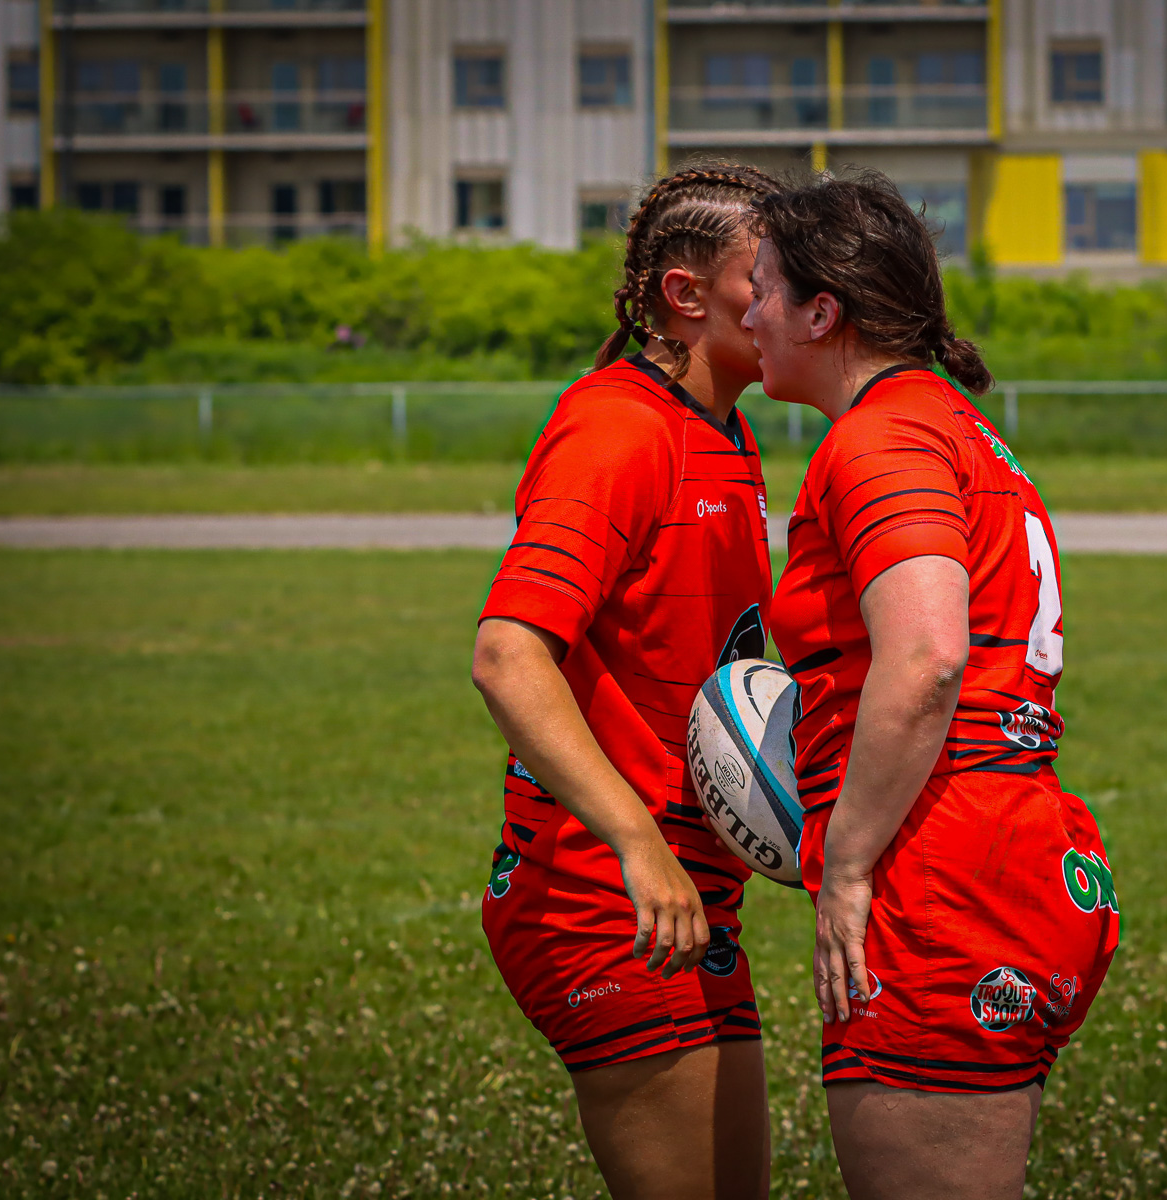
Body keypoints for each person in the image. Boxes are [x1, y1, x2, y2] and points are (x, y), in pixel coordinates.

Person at [742, 171, 1121, 1200]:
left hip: (942, 862)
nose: (748, 312)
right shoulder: (951, 423)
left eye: (766, 289)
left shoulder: (885, 434)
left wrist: (851, 864)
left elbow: (925, 661)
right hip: (1012, 837)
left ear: (826, 311)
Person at [472, 163, 782, 1200]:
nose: (794, 302)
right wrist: (639, 842)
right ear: (688, 297)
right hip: (604, 892)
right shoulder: (619, 428)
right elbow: (509, 655)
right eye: (770, 276)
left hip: (692, 894)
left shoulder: (727, 437)